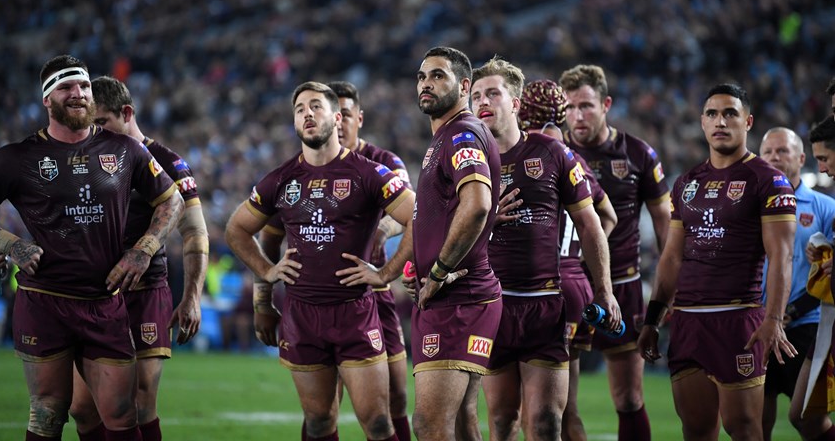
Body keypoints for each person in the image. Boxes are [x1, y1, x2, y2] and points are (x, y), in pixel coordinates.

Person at [0, 55, 184, 441]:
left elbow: (172, 200)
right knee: (48, 412)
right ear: (47, 99)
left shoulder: (126, 150)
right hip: (44, 301)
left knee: (121, 413)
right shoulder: (17, 158)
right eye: (65, 87)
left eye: (83, 86)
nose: (78, 93)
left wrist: (144, 249)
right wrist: (9, 243)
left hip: (104, 302)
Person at [224, 81, 415, 441]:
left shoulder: (369, 172)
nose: (307, 114)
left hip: (355, 312)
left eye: (315, 106)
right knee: (318, 422)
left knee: (378, 421)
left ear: (337, 118)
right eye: (299, 109)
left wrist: (386, 274)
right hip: (302, 316)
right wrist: (266, 273)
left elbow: (417, 216)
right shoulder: (281, 179)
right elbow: (238, 229)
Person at [337, 46, 503, 441]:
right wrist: (414, 268)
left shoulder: (460, 134)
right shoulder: (446, 137)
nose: (426, 84)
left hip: (459, 299)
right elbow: (436, 220)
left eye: (438, 76)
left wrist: (439, 271)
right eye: (422, 76)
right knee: (462, 422)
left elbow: (477, 205)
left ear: (464, 86)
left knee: (429, 424)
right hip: (456, 296)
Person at [638, 83, 798, 440]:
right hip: (688, 324)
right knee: (696, 430)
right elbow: (672, 257)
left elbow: (782, 255)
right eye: (712, 114)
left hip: (738, 321)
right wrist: (653, 319)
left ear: (748, 122)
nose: (720, 121)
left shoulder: (769, 181)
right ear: (702, 122)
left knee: (744, 430)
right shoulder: (686, 183)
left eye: (730, 114)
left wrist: (773, 318)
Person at [470, 59, 620, 440]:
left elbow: (592, 223)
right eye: (476, 95)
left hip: (544, 305)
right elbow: (443, 232)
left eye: (492, 93)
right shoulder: (466, 159)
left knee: (547, 422)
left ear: (516, 104)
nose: (482, 101)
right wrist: (485, 220)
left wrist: (604, 290)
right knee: (503, 421)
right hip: (491, 305)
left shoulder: (553, 152)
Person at [67, 75, 209, 441]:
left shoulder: (169, 163)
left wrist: (192, 296)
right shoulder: (83, 158)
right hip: (92, 295)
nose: (95, 132)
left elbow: (195, 233)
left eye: (103, 122)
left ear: (127, 113)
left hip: (143, 293)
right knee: (82, 408)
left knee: (139, 401)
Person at [559, 64, 670, 440]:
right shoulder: (554, 152)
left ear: (606, 105)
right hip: (570, 286)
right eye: (570, 107)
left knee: (629, 398)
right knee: (561, 406)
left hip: (622, 286)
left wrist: (669, 290)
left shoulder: (638, 154)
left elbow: (665, 226)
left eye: (586, 106)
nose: (577, 115)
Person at [517, 79, 618, 441]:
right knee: (564, 409)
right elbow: (607, 216)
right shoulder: (572, 158)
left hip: (535, 285)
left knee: (523, 412)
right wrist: (579, 253)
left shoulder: (518, 154)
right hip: (575, 282)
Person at [759, 126, 835, 441]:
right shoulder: (750, 206)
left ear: (801, 158)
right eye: (767, 152)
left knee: (807, 418)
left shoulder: (825, 207)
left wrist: (790, 312)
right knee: (753, 421)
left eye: (782, 151)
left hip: (807, 325)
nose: (774, 157)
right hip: (758, 326)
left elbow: (829, 275)